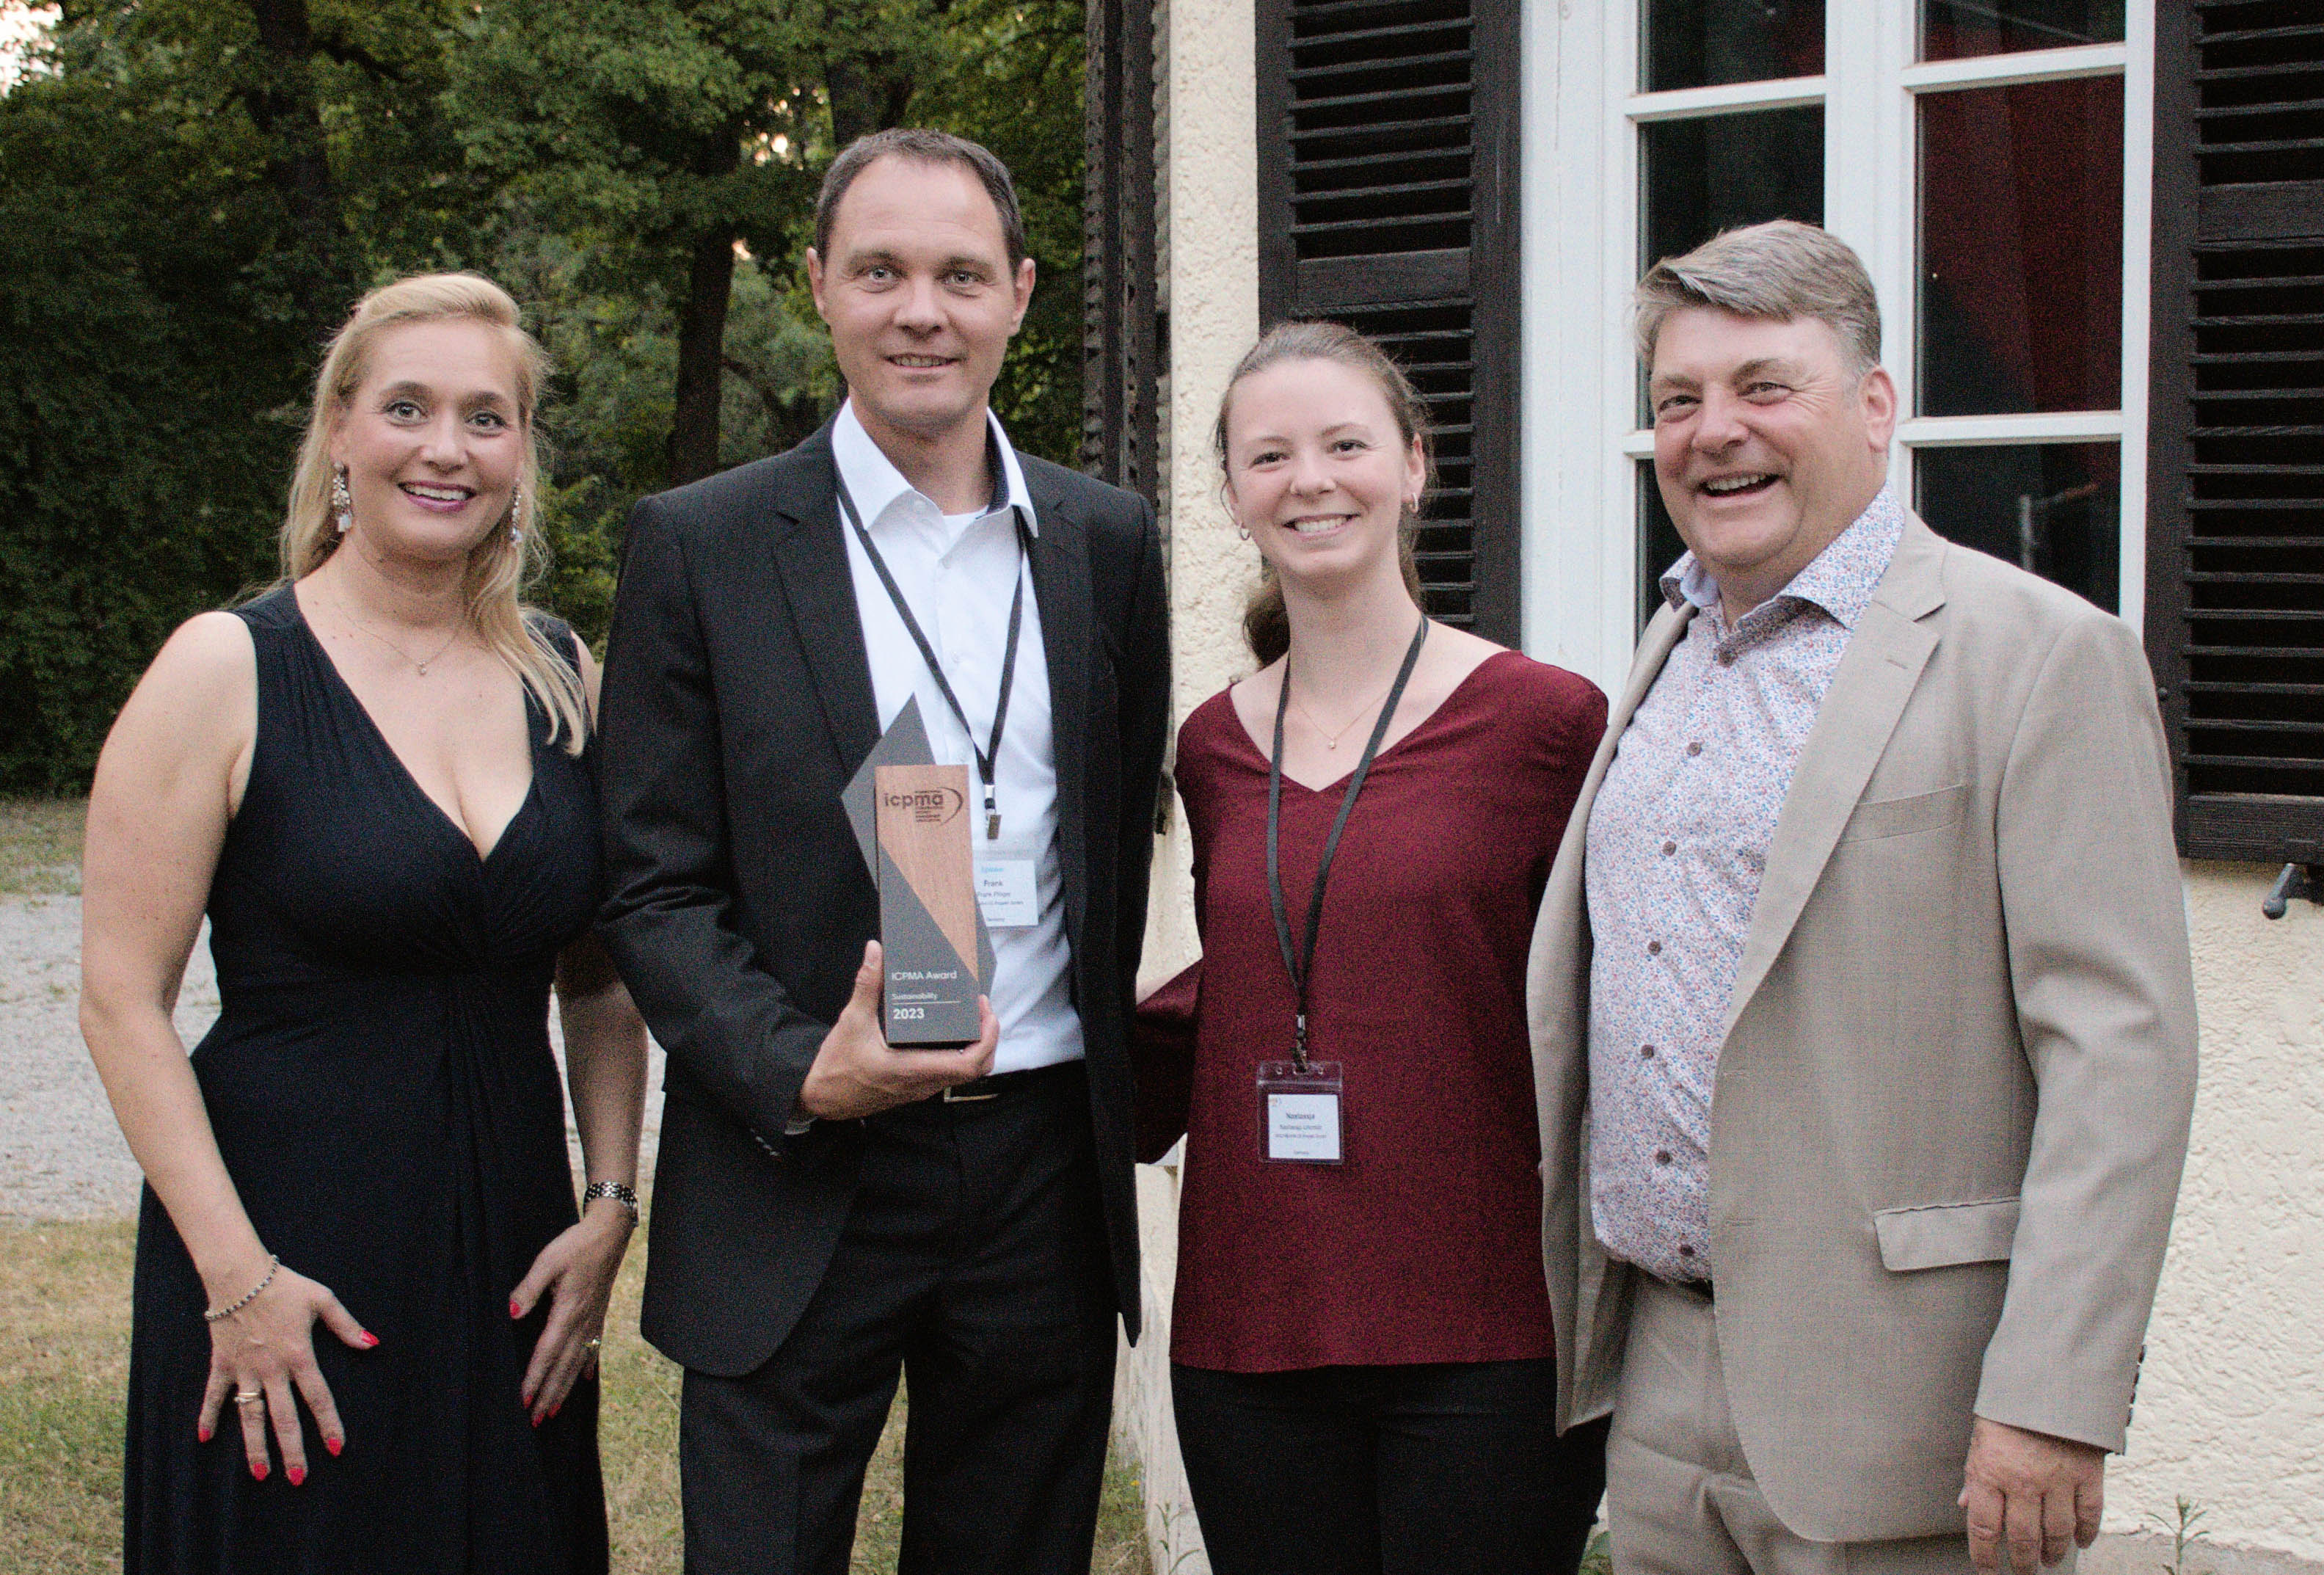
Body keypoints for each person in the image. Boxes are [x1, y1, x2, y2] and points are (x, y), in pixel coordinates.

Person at [1525, 220, 2199, 1575]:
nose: (1715, 430)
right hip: (1661, 1385)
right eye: (1678, 400)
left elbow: (2121, 1054)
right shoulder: (1667, 651)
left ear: (1877, 406)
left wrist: (2053, 1396)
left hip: (1913, 1410)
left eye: (1764, 386)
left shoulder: (2041, 657)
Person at [594, 128, 1169, 1575]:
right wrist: (800, 1064)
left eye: (962, 273)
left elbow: (1105, 848)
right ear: (819, 287)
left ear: (1022, 294)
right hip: (802, 1161)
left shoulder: (1105, 541)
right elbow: (651, 880)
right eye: (883, 271)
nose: (925, 308)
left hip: (1039, 1161)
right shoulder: (700, 544)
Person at [78, 272, 650, 1574]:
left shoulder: (566, 677)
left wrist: (611, 1202)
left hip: (516, 1244)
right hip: (286, 1242)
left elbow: (602, 979)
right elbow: (120, 1000)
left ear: (520, 452)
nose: (445, 448)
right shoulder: (226, 668)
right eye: (407, 408)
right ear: (339, 432)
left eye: (484, 417)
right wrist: (238, 1279)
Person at [1132, 320, 1611, 1575]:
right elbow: (1258, 973)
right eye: (1270, 455)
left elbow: (1602, 999)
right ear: (1234, 496)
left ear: (1413, 465)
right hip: (1251, 1330)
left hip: (1488, 1321)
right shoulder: (1211, 747)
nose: (1310, 479)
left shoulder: (1546, 721)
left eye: (1345, 443)